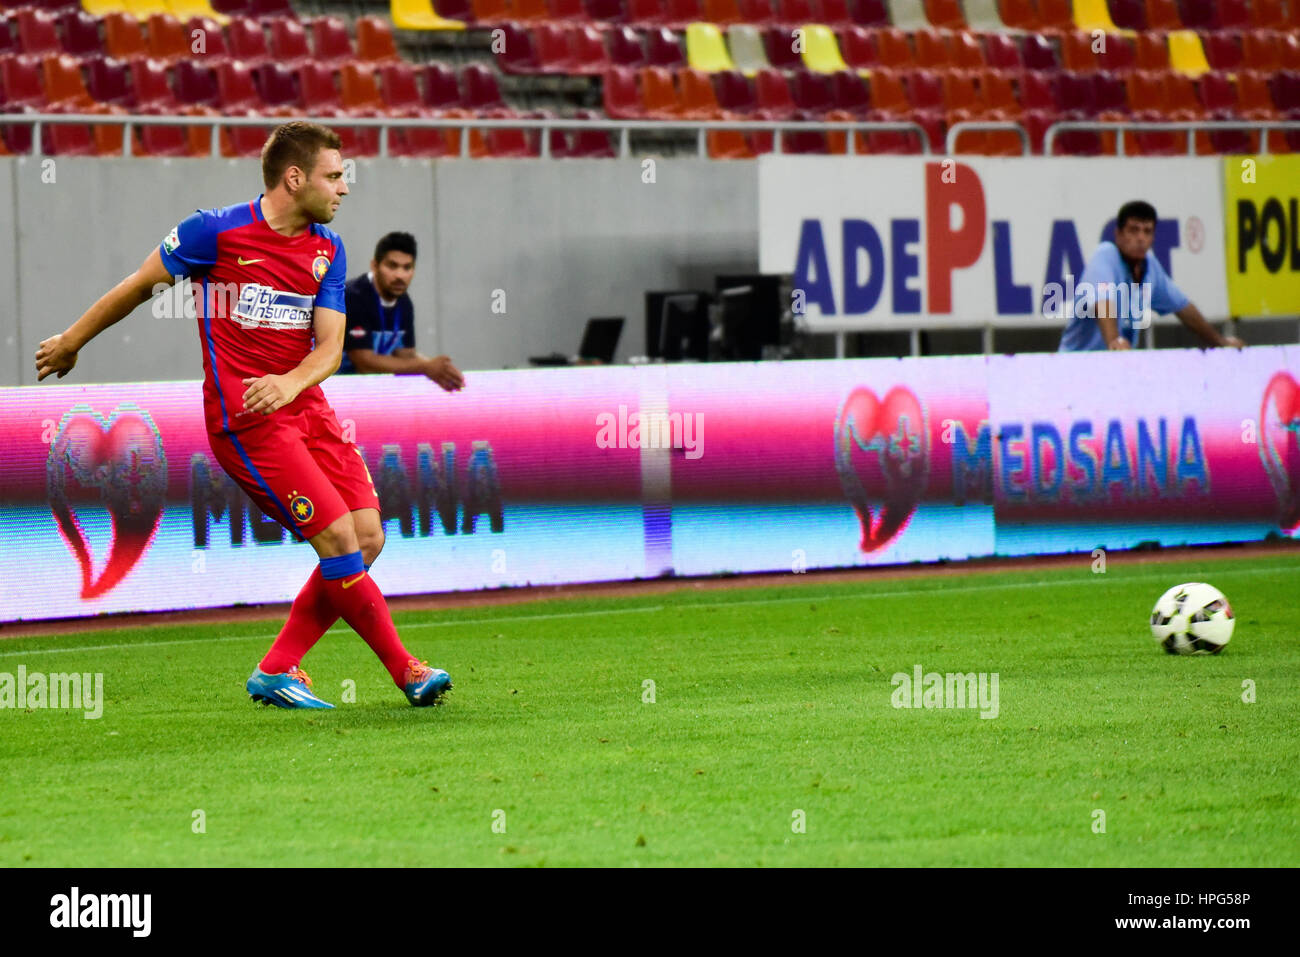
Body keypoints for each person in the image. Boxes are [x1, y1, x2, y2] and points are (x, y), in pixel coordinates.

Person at [34, 122, 453, 710]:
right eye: (335, 176)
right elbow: (139, 285)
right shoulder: (215, 232)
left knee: (366, 537)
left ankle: (278, 667)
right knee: (336, 538)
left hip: (305, 407)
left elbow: (331, 350)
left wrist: (290, 382)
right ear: (294, 177)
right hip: (246, 420)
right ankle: (407, 670)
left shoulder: (327, 251)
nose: (344, 189)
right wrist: (73, 340)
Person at [1059, 200, 1245, 352]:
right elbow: (1103, 302)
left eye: (1147, 231)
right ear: (1118, 235)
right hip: (1076, 366)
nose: (1141, 238)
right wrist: (1114, 342)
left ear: (1153, 237)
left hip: (1114, 367)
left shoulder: (1150, 267)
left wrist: (1219, 342)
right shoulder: (1106, 255)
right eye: (1133, 230)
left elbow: (1184, 309)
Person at [340, 231, 464, 388]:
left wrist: (441, 370)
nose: (400, 275)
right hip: (328, 389)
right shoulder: (354, 296)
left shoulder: (404, 303)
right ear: (374, 266)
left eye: (407, 267)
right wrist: (427, 367)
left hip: (363, 392)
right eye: (392, 266)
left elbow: (405, 356)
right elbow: (365, 364)